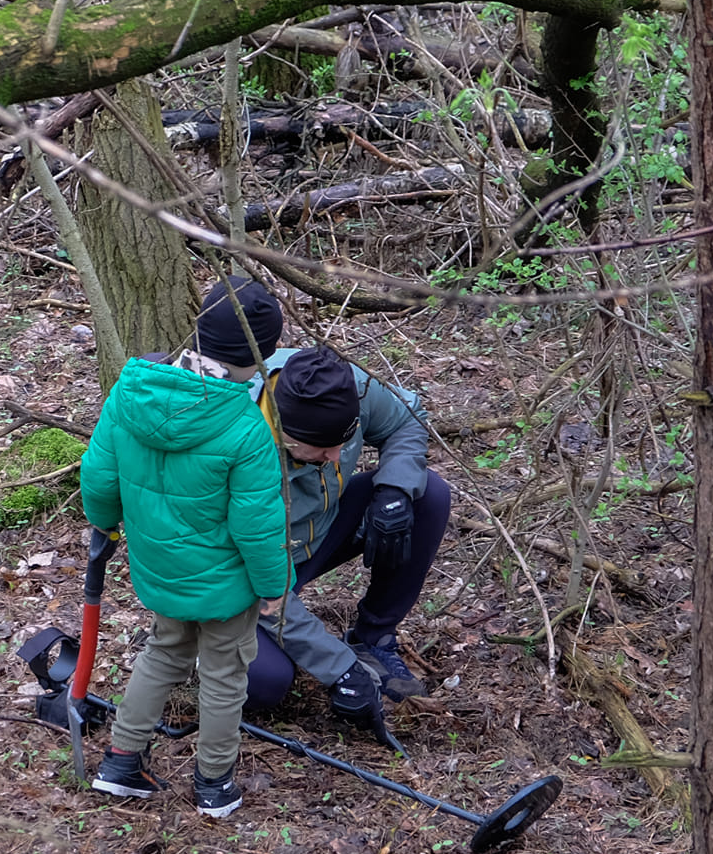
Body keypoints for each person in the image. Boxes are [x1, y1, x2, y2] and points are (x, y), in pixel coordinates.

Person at [78, 279, 291, 818]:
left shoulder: (131, 392)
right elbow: (257, 525)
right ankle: (214, 783)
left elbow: (98, 477)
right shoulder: (246, 428)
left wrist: (105, 525)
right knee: (224, 675)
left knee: (164, 650)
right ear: (256, 357)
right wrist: (273, 585)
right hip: (224, 584)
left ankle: (121, 761)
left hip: (159, 566)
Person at [247, 344, 453, 749]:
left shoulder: (346, 388)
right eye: (323, 449)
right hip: (252, 575)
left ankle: (373, 639)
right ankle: (200, 655)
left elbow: (406, 419)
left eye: (344, 441)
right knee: (264, 683)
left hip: (319, 532)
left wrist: (393, 490)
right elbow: (260, 589)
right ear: (285, 433)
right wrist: (341, 669)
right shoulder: (238, 445)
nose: (338, 456)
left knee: (427, 495)